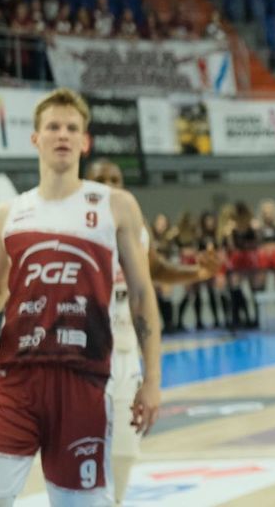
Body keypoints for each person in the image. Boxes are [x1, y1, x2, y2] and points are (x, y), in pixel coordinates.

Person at [0, 88, 162, 506]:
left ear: (85, 141)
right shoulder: (8, 215)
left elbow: (144, 298)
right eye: (53, 126)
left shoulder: (117, 206)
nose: (63, 134)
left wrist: (153, 381)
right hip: (14, 378)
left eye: (72, 128)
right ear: (35, 138)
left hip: (83, 377)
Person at [82, 159, 215, 506]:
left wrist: (197, 273)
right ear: (86, 183)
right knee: (84, 450)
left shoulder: (136, 223)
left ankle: (116, 501)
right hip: (84, 349)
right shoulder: (75, 224)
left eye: (116, 179)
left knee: (125, 450)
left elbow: (155, 269)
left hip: (126, 345)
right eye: (101, 180)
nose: (110, 185)